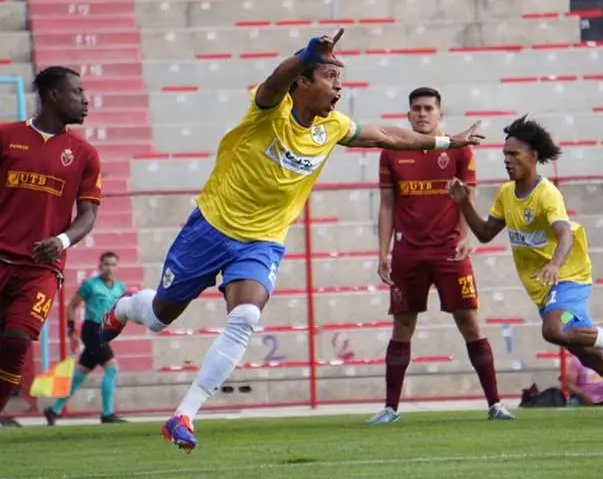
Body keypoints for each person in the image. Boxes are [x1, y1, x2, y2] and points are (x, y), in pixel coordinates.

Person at [99, 29, 482, 452]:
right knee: (159, 316)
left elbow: (389, 136)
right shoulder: (270, 108)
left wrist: (448, 140)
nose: (339, 88)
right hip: (209, 229)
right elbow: (274, 81)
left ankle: (184, 414)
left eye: (341, 79)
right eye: (331, 78)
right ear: (303, 82)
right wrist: (305, 55)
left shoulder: (333, 127)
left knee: (245, 316)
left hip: (261, 242)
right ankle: (124, 308)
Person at [447, 115, 603, 418]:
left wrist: (555, 265)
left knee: (554, 330)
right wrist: (463, 203)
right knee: (591, 359)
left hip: (568, 275)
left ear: (532, 157)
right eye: (504, 154)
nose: (506, 160)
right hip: (544, 286)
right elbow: (483, 234)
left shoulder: (546, 193)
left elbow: (564, 236)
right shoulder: (507, 194)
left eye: (513, 154)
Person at [369, 87, 513, 424]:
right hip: (407, 253)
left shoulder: (459, 152)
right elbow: (387, 205)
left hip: (449, 251)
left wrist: (465, 237)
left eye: (428, 109)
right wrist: (383, 253)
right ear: (408, 115)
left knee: (469, 322)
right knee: (402, 324)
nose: (422, 114)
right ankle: (390, 408)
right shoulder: (391, 153)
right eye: (416, 109)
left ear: (440, 115)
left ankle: (495, 404)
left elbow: (468, 196)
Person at [0, 66, 100, 415]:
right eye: (77, 92)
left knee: (17, 339)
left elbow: (87, 215)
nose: (85, 100)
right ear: (53, 95)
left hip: (41, 267)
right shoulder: (6, 136)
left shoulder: (85, 155)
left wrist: (61, 241)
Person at [43, 252, 127, 425]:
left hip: (105, 331)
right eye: (106, 264)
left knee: (80, 374)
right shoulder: (90, 285)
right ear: (100, 266)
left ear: (117, 267)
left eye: (112, 264)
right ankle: (107, 413)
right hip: (92, 330)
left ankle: (53, 410)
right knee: (111, 369)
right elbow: (72, 306)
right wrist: (71, 330)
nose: (109, 268)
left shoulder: (120, 288)